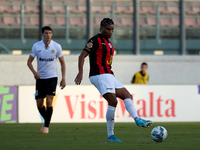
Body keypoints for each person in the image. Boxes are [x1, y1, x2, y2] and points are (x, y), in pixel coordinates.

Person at [74, 18, 153, 142]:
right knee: (113, 100)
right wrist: (80, 72)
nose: (110, 32)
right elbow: (82, 55)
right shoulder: (95, 40)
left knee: (127, 95)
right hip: (99, 74)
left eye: (112, 29)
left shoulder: (109, 43)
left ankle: (138, 119)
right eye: (108, 29)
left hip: (108, 74)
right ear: (101, 28)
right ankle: (110, 135)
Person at [27, 26, 66, 134]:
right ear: (42, 34)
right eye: (46, 33)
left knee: (49, 101)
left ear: (52, 34)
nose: (48, 35)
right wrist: (35, 73)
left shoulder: (57, 46)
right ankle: (47, 120)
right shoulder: (36, 46)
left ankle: (46, 127)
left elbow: (62, 63)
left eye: (50, 33)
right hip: (40, 78)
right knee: (39, 104)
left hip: (52, 77)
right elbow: (29, 62)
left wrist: (63, 79)